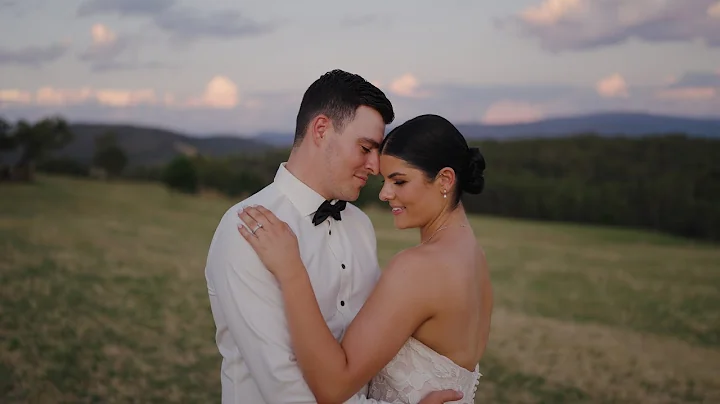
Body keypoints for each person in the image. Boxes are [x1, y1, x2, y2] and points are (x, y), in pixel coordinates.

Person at [204, 70, 464, 403]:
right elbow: (284, 387)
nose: (374, 166)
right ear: (322, 129)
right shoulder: (247, 228)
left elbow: (364, 364)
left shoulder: (361, 226)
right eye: (366, 148)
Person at [237, 114, 493, 404]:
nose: (385, 193)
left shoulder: (419, 267)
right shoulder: (474, 257)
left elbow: (333, 387)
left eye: (399, 181)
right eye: (385, 180)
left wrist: (291, 270)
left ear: (445, 179)